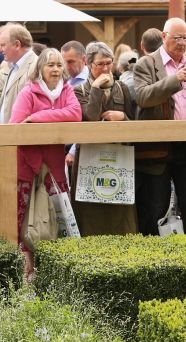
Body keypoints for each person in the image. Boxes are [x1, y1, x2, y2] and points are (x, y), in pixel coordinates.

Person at [133, 17, 186, 235]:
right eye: (177, 38)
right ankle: (152, 260)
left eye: (185, 39)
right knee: (155, 208)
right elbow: (142, 97)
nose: (181, 43)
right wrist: (174, 80)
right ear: (163, 37)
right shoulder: (146, 64)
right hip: (157, 146)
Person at [9, 48, 81, 278]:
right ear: (40, 67)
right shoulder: (28, 92)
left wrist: (38, 117)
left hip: (54, 166)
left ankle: (53, 272)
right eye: (51, 65)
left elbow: (75, 113)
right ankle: (23, 270)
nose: (56, 69)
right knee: (22, 219)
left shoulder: (67, 90)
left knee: (58, 216)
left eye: (59, 65)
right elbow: (17, 124)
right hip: (27, 165)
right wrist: (38, 118)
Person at [72, 41, 137, 236]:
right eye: (100, 64)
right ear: (88, 64)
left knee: (120, 212)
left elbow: (135, 123)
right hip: (89, 159)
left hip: (119, 158)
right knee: (90, 212)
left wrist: (122, 117)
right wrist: (97, 89)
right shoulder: (78, 91)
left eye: (109, 63)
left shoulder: (123, 88)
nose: (106, 68)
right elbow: (90, 118)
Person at [0, 24, 37, 123]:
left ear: (17, 45)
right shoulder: (12, 66)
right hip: (7, 133)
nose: (0, 49)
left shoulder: (36, 67)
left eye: (3, 45)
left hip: (21, 135)